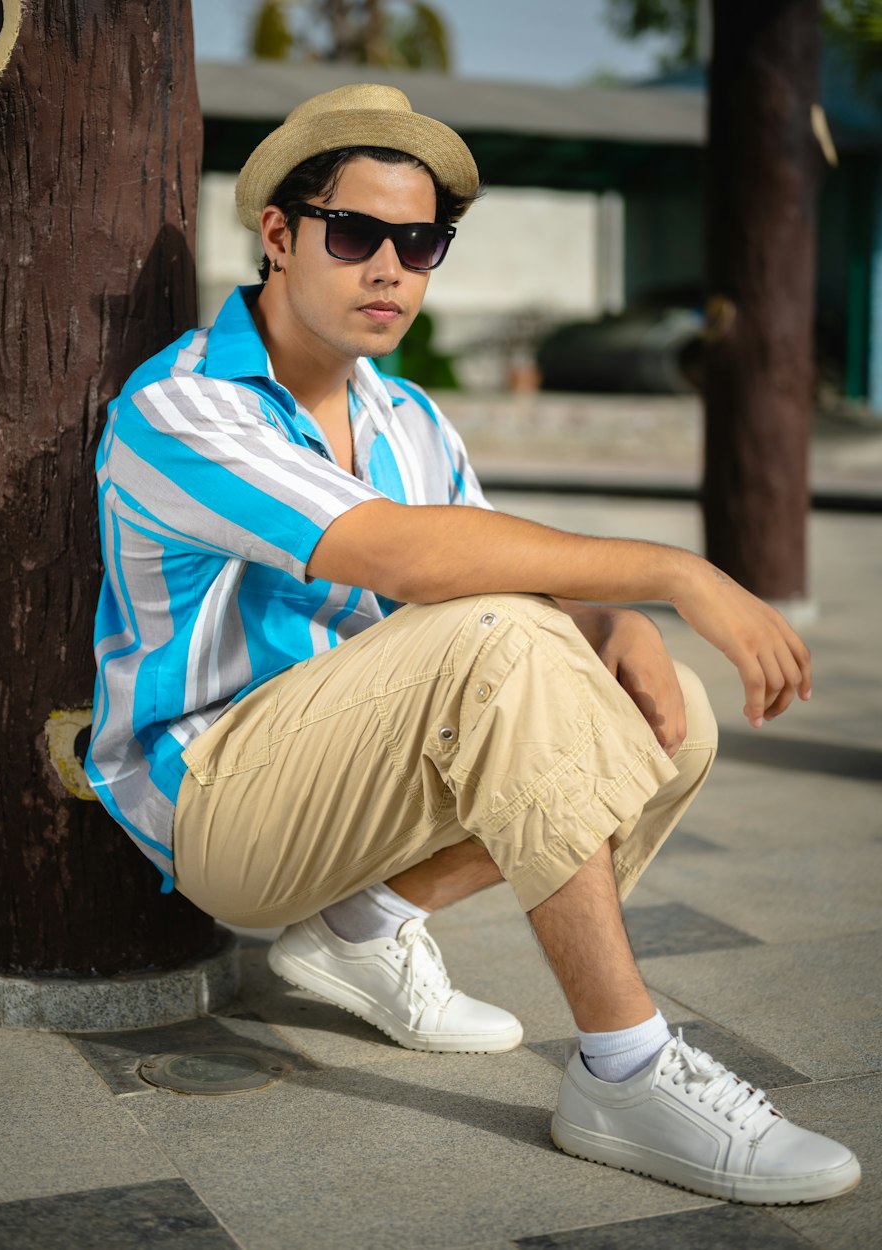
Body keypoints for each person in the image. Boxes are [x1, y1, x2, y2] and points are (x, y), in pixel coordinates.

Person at [88, 83, 860, 1206]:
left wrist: (619, 622)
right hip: (218, 801)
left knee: (666, 709)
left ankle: (368, 922)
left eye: (422, 242)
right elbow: (412, 561)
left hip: (353, 778)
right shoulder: (186, 409)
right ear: (277, 234)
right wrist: (679, 571)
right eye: (354, 234)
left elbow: (498, 568)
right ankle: (624, 1068)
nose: (390, 268)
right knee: (505, 640)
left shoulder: (410, 420)